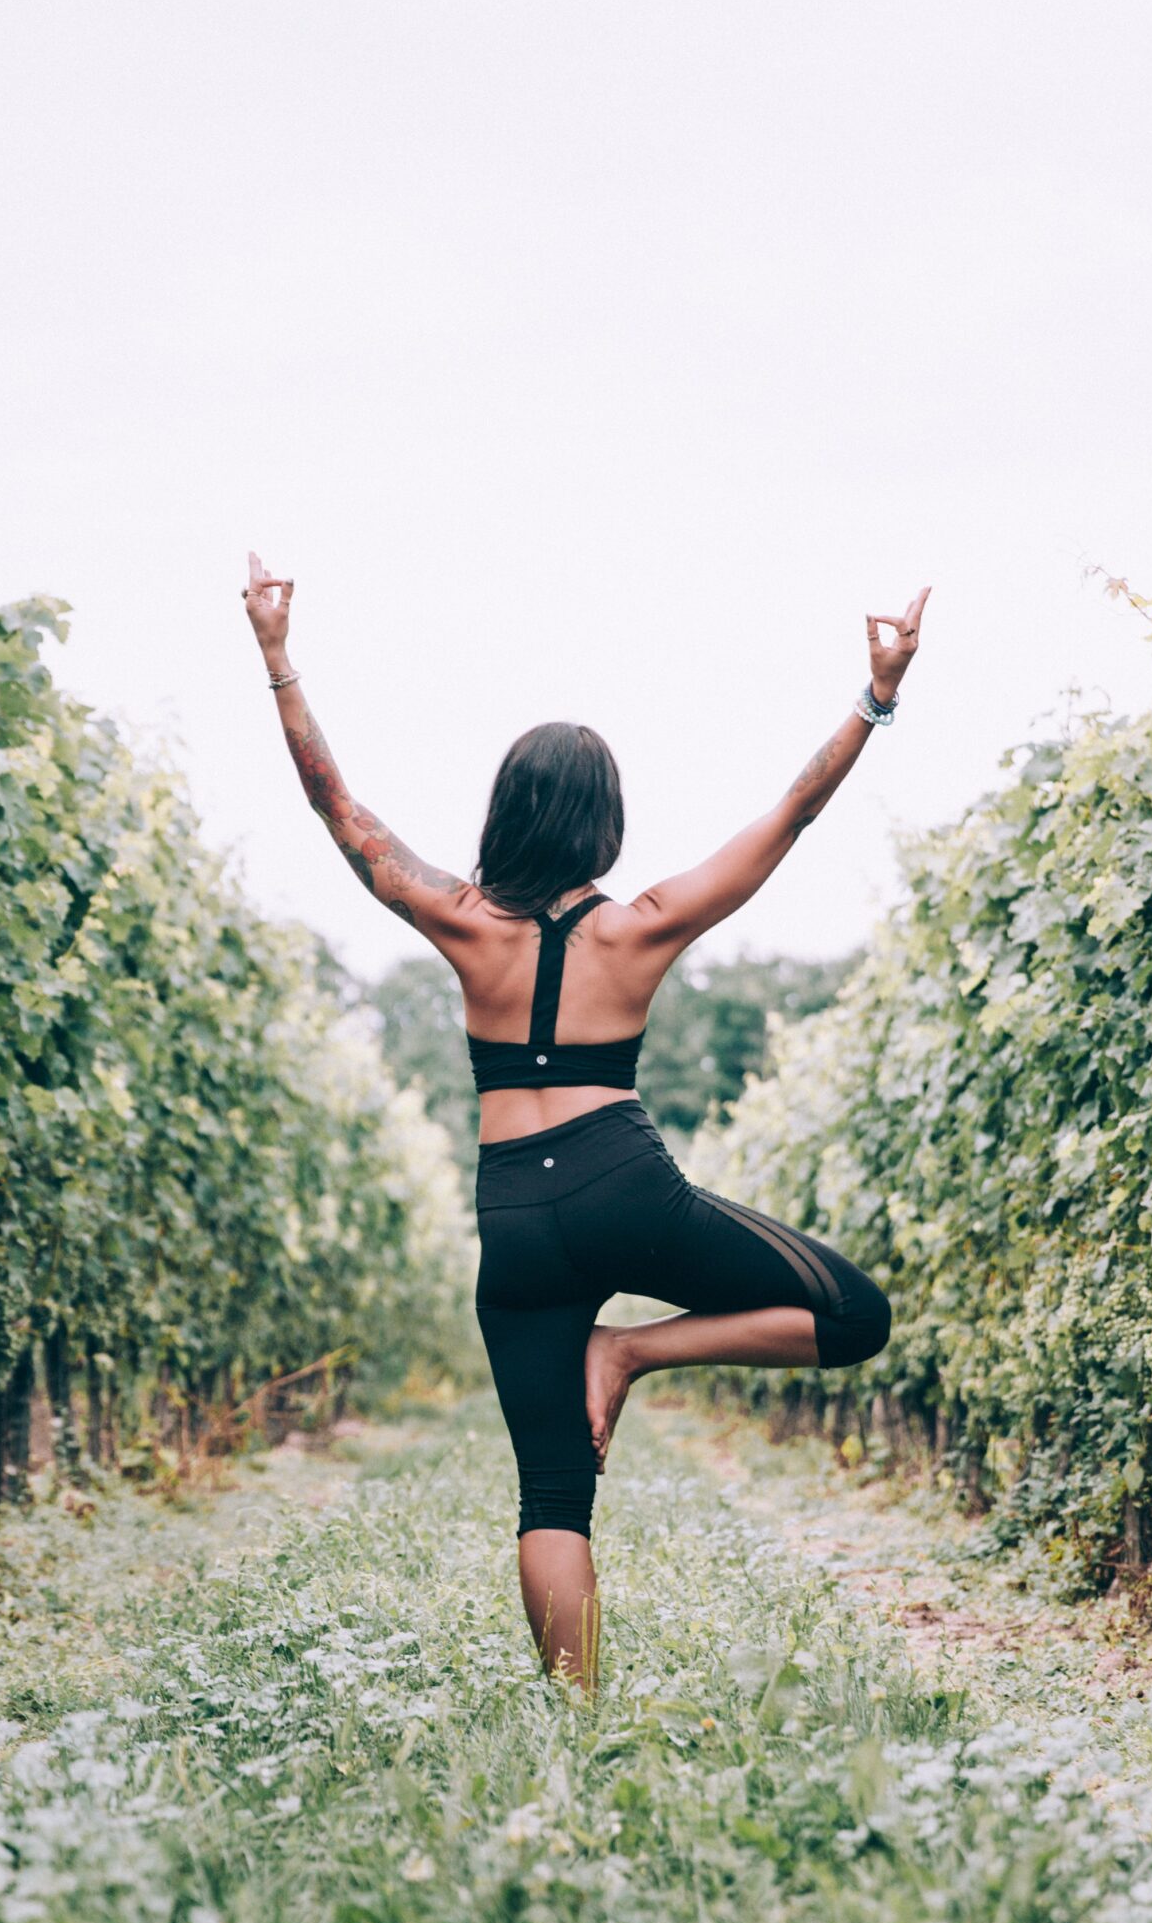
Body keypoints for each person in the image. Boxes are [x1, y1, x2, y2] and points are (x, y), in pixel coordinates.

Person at [243, 554, 927, 1687]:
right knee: (852, 1314)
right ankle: (637, 1349)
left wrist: (277, 660)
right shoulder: (644, 925)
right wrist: (875, 696)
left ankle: (578, 1717)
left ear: (504, 815)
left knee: (552, 1491)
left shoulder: (460, 922)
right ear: (607, 821)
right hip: (621, 1180)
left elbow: (338, 810)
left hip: (512, 1208)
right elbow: (790, 815)